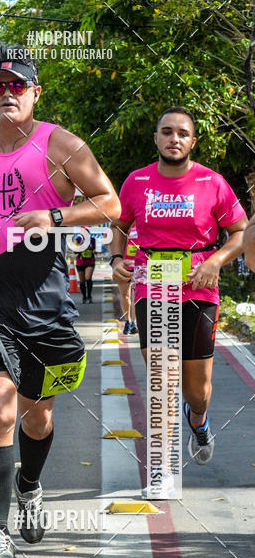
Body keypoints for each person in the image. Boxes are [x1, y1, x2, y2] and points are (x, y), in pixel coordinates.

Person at [0, 44, 120, 558]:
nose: (8, 93)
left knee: (39, 417)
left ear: (35, 92)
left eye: (18, 85)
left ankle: (30, 487)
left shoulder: (61, 144)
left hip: (45, 299)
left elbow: (110, 203)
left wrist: (55, 217)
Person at [110, 107, 246, 488]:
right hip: (153, 280)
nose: (174, 139)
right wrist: (118, 258)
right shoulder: (136, 182)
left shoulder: (212, 182)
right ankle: (162, 468)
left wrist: (216, 261)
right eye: (166, 132)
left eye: (182, 133)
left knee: (196, 390)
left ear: (192, 141)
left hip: (200, 286)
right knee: (162, 376)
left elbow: (239, 232)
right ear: (156, 138)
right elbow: (120, 225)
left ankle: (198, 421)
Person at [116, 224, 138, 334]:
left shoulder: (146, 226)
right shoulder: (122, 227)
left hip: (140, 267)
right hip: (125, 266)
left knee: (136, 296)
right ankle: (127, 321)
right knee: (125, 295)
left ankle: (134, 323)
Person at [74, 231, 97, 303]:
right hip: (80, 262)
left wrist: (94, 251)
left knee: (88, 278)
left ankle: (89, 296)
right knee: (82, 281)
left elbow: (95, 249)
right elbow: (74, 251)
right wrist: (80, 245)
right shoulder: (78, 239)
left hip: (90, 261)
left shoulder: (92, 240)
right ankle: (84, 297)